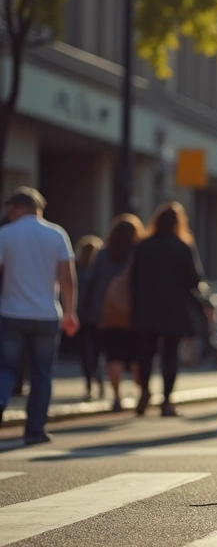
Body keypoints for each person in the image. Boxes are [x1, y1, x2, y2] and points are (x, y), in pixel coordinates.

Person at [0, 188, 78, 444]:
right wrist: (70, 312)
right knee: (42, 373)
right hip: (46, 314)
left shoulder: (5, 235)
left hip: (11, 312)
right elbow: (67, 277)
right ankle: (35, 430)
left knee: (6, 368)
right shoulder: (56, 234)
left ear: (17, 208)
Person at [131, 202, 206, 418]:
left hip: (146, 308)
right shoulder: (182, 246)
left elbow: (134, 277)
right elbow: (194, 279)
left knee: (146, 354)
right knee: (170, 355)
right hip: (174, 309)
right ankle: (166, 401)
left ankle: (144, 391)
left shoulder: (143, 245)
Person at [83, 214, 145, 411]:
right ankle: (140, 393)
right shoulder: (138, 253)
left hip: (108, 313)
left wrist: (88, 309)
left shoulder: (103, 254)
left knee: (113, 355)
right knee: (137, 357)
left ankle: (117, 397)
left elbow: (90, 282)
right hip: (135, 312)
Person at [69, 235, 104, 401]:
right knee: (91, 352)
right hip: (88, 316)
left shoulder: (79, 270)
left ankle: (95, 381)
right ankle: (94, 381)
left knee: (91, 351)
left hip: (88, 315)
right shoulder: (82, 270)